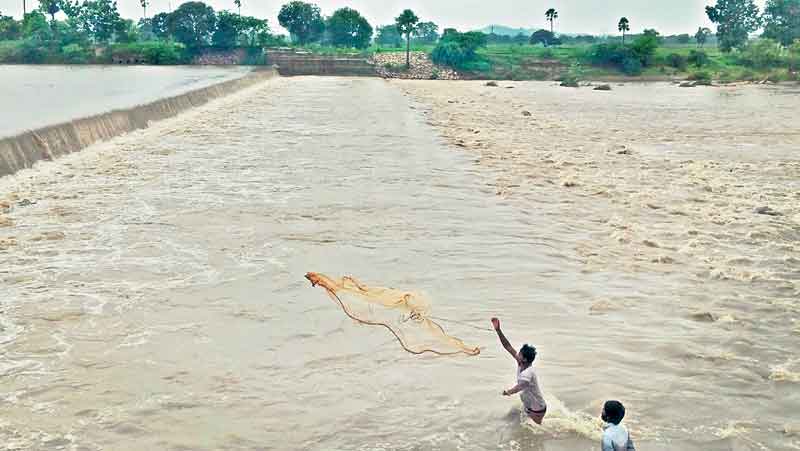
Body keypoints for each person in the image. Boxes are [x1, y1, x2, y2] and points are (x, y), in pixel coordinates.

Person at [491, 317, 547, 424]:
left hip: (537, 410)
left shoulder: (527, 374)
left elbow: (518, 388)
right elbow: (508, 346)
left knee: (537, 430)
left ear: (525, 359)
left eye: (520, 354)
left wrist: (507, 392)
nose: (517, 354)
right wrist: (498, 330)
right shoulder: (521, 362)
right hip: (529, 405)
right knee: (512, 420)